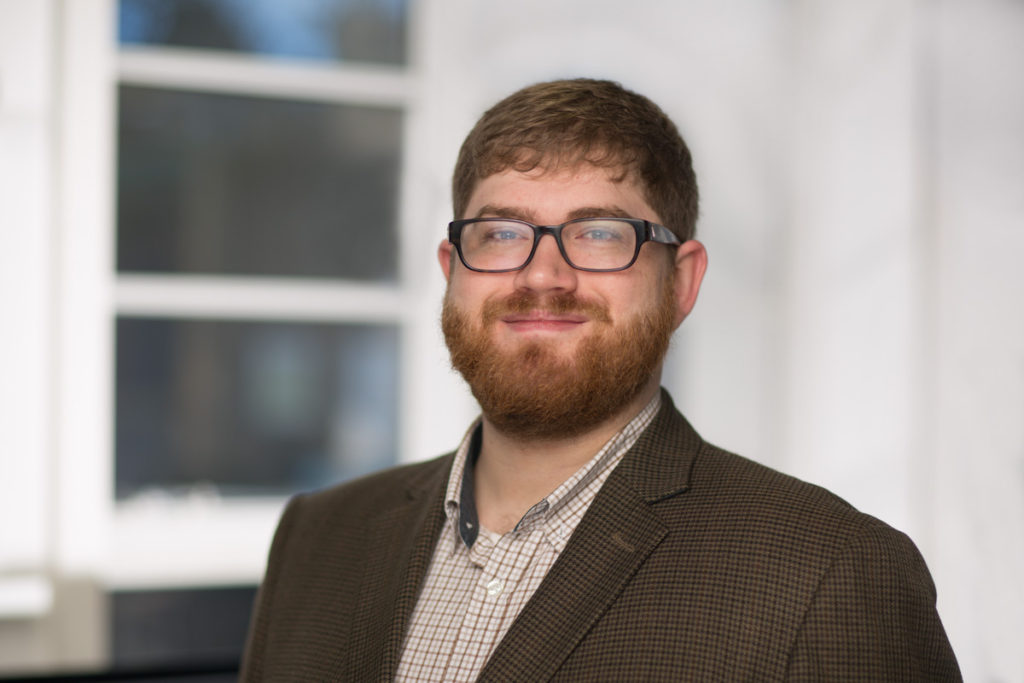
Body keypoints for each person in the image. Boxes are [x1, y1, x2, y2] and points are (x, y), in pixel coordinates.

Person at [241, 78, 960, 681]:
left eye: (599, 233)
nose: (542, 275)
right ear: (451, 271)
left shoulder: (832, 573)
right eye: (500, 233)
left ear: (681, 281)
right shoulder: (318, 538)